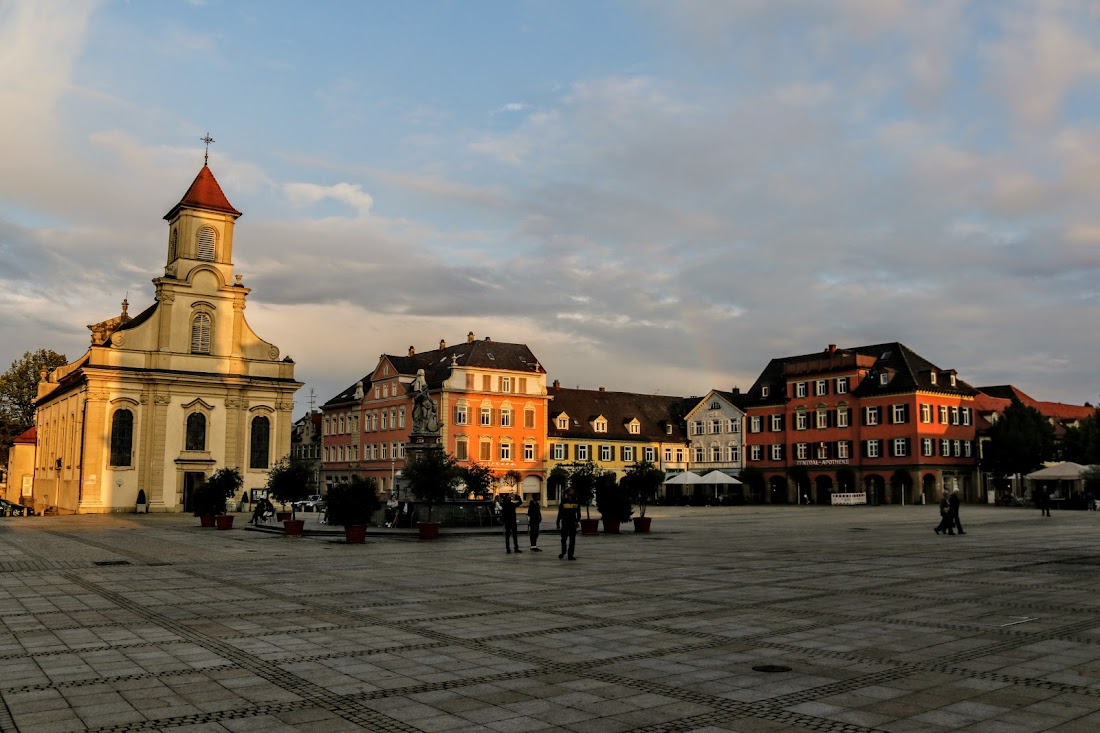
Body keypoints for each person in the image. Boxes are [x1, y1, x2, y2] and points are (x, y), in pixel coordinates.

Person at [557, 488, 581, 560]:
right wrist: (558, 521)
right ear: (567, 493)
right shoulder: (564, 501)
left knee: (572, 539)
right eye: (570, 490)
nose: (572, 491)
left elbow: (578, 513)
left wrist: (577, 521)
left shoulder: (576, 502)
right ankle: (563, 552)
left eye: (573, 491)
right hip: (565, 522)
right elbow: (560, 512)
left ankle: (570, 555)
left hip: (573, 523)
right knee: (563, 538)